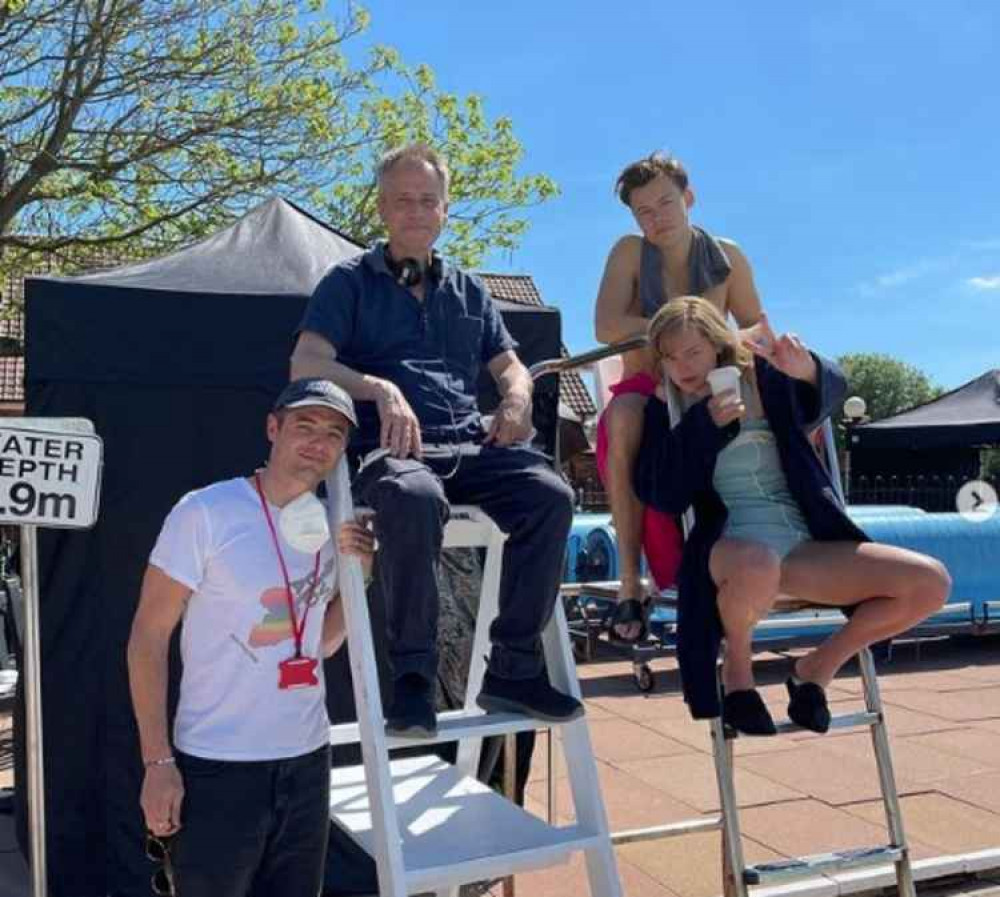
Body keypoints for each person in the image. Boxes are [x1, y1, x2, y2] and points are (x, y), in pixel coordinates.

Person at [290, 142, 581, 738]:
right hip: (394, 454)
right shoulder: (347, 283)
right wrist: (379, 389)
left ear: (445, 210)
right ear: (382, 209)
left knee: (551, 495)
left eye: (427, 201)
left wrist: (518, 399)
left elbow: (510, 367)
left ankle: (514, 666)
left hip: (471, 447)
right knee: (414, 498)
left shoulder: (468, 289)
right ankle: (415, 679)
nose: (416, 211)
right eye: (403, 201)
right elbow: (306, 364)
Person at [634, 297, 951, 734]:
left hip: (800, 546)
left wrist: (807, 370)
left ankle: (816, 669)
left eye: (692, 351)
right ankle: (738, 677)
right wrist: (704, 425)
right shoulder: (667, 407)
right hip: (729, 549)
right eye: (669, 357)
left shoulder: (763, 379)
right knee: (758, 562)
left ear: (717, 347)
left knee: (930, 583)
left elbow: (827, 389)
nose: (681, 366)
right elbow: (661, 494)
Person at [127, 378, 375, 897]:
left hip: (307, 760)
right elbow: (148, 637)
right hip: (219, 765)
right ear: (272, 428)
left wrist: (361, 577)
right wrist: (157, 763)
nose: (318, 442)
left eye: (333, 433)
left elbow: (321, 643)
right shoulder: (206, 513)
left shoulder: (333, 526)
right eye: (304, 425)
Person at [593, 153, 763, 641]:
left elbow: (752, 326)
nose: (655, 218)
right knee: (623, 417)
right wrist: (682, 334)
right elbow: (606, 326)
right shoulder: (629, 251)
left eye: (665, 203)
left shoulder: (727, 255)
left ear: (688, 199)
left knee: (780, 406)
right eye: (643, 211)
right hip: (648, 390)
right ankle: (630, 580)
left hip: (712, 385)